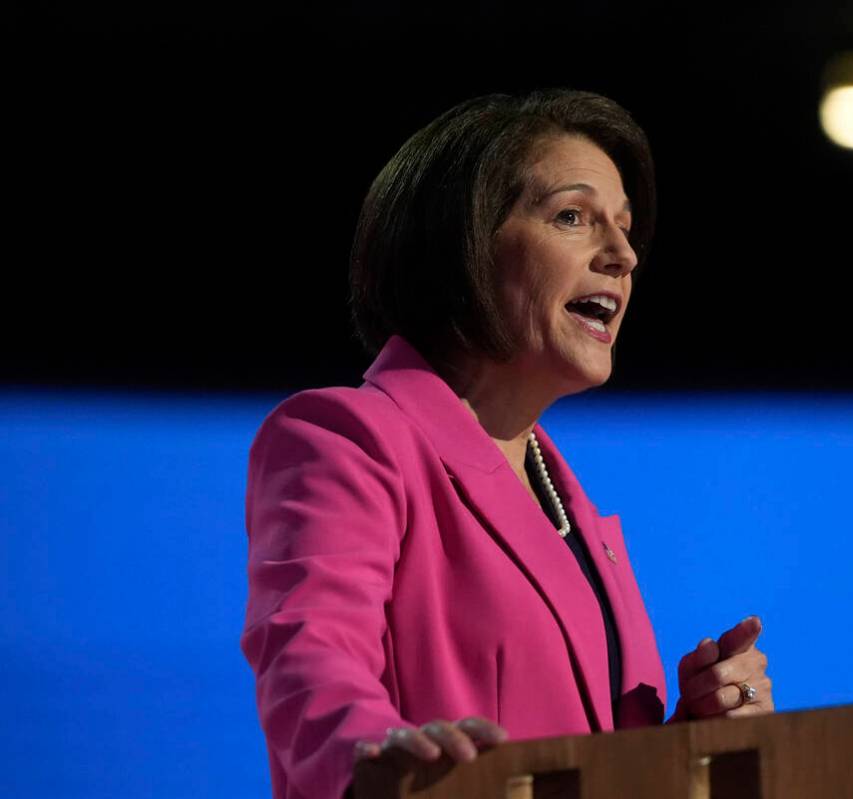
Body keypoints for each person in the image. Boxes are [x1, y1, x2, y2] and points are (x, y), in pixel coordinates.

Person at [240, 88, 774, 799]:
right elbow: (309, 650)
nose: (621, 255)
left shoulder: (568, 501)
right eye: (572, 217)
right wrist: (374, 751)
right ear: (460, 242)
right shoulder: (348, 437)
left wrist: (694, 736)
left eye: (624, 228)